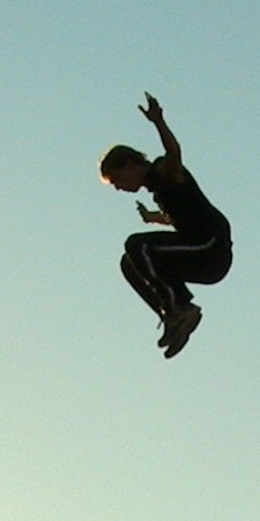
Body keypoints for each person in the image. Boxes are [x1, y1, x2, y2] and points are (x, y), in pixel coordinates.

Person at [99, 94, 233, 358]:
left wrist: (159, 122)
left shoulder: (164, 170)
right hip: (199, 254)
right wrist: (155, 218)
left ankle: (181, 307)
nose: (118, 188)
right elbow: (180, 217)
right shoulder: (159, 190)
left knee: (137, 245)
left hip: (210, 246)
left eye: (117, 180)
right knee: (129, 263)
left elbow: (174, 153)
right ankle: (173, 316)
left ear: (129, 164)